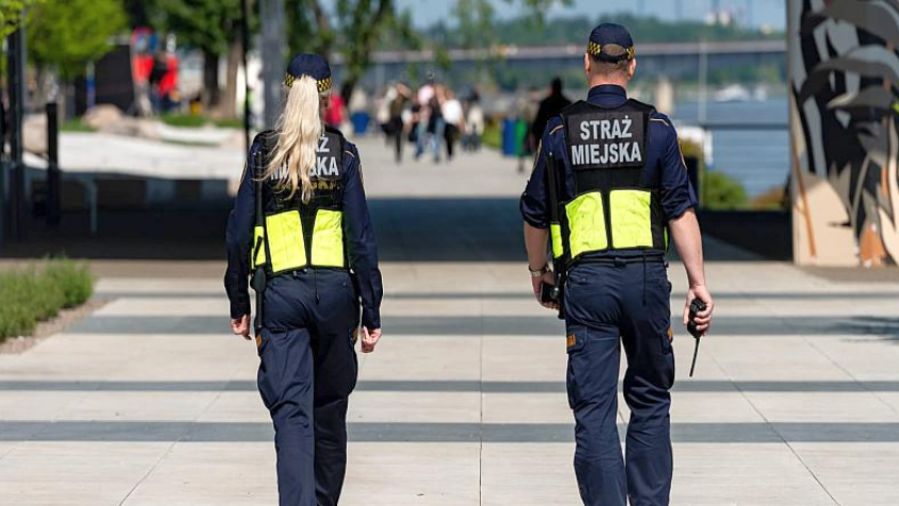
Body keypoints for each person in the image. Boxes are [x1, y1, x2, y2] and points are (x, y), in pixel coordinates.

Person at [519, 24, 714, 506]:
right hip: (646, 280)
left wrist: (539, 272)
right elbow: (680, 211)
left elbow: (535, 215)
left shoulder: (560, 131)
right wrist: (698, 283)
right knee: (650, 402)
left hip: (586, 285)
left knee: (594, 413)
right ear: (632, 66)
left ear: (586, 64)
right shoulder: (657, 128)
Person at [225, 54, 384, 506]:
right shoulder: (343, 153)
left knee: (292, 415)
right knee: (329, 412)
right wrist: (371, 309)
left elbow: (238, 233)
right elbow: (361, 239)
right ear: (327, 96)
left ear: (286, 90)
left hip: (281, 297)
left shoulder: (264, 152)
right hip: (336, 298)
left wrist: (239, 300)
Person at [530, 76, 571, 151]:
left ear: (552, 87)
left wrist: (536, 143)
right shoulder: (567, 104)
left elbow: (537, 125)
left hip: (546, 141)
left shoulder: (545, 103)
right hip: (563, 142)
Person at [441, 88, 464, 161]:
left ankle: (450, 152)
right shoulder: (445, 103)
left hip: (454, 122)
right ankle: (449, 152)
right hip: (446, 122)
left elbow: (459, 113)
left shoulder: (456, 103)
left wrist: (460, 122)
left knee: (451, 138)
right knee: (447, 139)